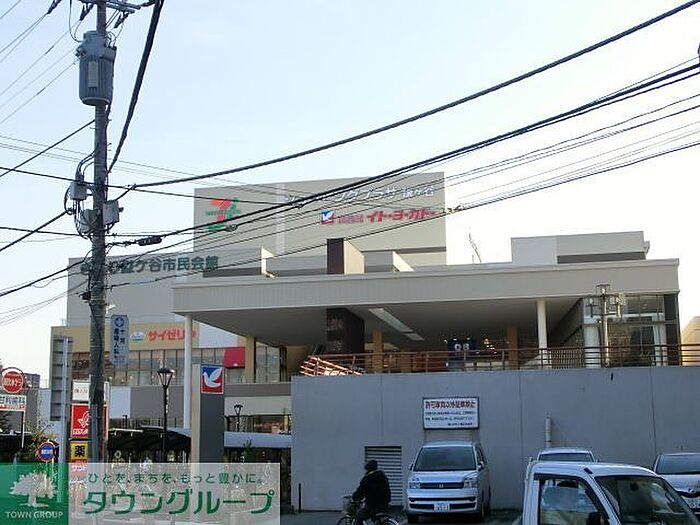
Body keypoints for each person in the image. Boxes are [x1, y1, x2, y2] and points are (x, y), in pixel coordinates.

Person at [351, 459, 391, 524]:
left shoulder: (367, 478)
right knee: (376, 519)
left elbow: (361, 490)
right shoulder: (383, 476)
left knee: (359, 516)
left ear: (368, 469)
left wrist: (355, 497)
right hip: (385, 505)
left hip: (373, 505)